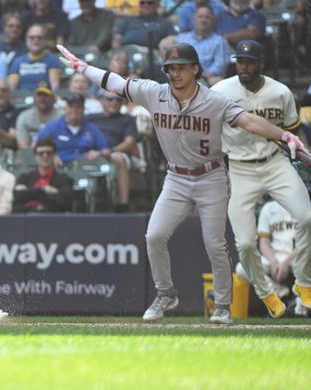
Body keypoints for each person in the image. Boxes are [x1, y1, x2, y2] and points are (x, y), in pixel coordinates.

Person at [56, 42, 307, 324]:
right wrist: (82, 67)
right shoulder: (154, 92)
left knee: (215, 244)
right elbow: (114, 82)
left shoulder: (215, 100)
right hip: (176, 178)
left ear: (195, 69)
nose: (174, 73)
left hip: (211, 176)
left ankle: (223, 305)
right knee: (154, 236)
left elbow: (249, 121)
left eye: (181, 68)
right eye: (170, 68)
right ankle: (166, 293)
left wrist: (282, 135)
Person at [211, 40, 311, 318]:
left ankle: (304, 283)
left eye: (249, 61)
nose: (244, 66)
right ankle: (266, 292)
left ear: (261, 62)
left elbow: (292, 132)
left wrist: (303, 153)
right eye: (240, 61)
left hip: (275, 163)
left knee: (306, 218)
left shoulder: (281, 92)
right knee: (243, 242)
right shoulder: (220, 91)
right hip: (240, 169)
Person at [86, 90, 139, 212]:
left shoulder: (128, 119)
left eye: (118, 100)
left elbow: (129, 143)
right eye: (110, 99)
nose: (114, 102)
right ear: (102, 101)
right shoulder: (90, 118)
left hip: (114, 153)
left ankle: (123, 205)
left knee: (120, 159)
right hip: (90, 153)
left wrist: (108, 151)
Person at [36, 94, 110, 166]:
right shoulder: (53, 126)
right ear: (65, 108)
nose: (74, 110)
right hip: (60, 168)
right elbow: (36, 144)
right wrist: (51, 156)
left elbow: (105, 150)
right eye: (71, 107)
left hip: (85, 168)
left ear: (83, 109)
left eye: (78, 107)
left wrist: (98, 153)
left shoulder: (92, 129)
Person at [13, 136, 74, 213]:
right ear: (35, 156)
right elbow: (17, 198)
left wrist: (29, 192)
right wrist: (44, 190)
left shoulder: (64, 180)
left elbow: (65, 202)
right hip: (26, 220)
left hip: (52, 221)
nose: (45, 156)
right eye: (41, 153)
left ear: (54, 155)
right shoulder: (25, 178)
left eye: (49, 153)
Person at [177, 5, 228, 86]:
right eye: (200, 16)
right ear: (194, 19)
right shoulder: (182, 39)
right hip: (182, 76)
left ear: (213, 21)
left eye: (207, 17)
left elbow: (220, 63)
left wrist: (203, 75)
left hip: (206, 79)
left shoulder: (219, 41)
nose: (203, 19)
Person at [8, 24, 64, 93]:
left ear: (45, 40)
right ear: (26, 39)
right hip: (21, 100)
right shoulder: (17, 62)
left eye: (39, 37)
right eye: (32, 37)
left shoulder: (53, 60)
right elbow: (11, 90)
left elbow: (55, 88)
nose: (35, 40)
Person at [16, 82, 61, 149]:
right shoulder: (24, 117)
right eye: (39, 95)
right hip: (31, 156)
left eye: (46, 95)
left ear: (53, 99)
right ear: (34, 98)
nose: (42, 99)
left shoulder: (62, 116)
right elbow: (23, 146)